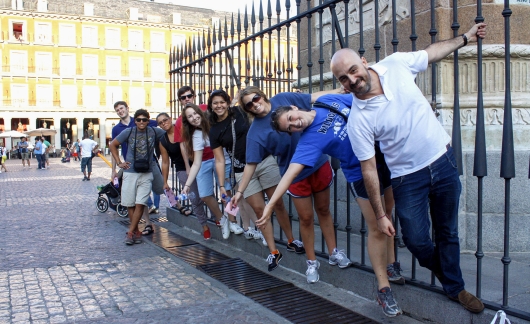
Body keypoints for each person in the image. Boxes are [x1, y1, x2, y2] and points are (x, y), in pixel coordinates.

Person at [330, 23, 487, 314]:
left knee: (447, 232)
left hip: (443, 161)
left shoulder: (396, 65)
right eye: (344, 78)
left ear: (363, 62)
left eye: (353, 70)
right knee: (415, 239)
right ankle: (448, 272)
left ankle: (455, 288)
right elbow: (368, 170)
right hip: (406, 178)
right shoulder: (358, 120)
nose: (352, 79)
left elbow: (430, 53)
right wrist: (379, 214)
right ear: (341, 83)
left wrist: (465, 37)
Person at [269, 95, 404, 317]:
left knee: (388, 214)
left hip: (382, 158)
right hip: (360, 173)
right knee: (377, 226)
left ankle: (391, 264)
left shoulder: (326, 101)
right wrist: (270, 205)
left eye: (291, 118)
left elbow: (361, 101)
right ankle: (383, 288)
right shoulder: (309, 139)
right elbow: (291, 172)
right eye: (290, 127)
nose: (295, 124)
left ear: (294, 108)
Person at [235, 86, 351, 281]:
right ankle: (312, 262)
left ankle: (334, 252)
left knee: (324, 210)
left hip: (319, 164)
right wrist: (240, 191)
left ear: (262, 95)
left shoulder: (282, 98)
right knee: (305, 218)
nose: (255, 104)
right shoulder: (255, 133)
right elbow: (251, 164)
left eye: (255, 98)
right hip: (295, 176)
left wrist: (340, 90)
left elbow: (312, 98)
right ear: (247, 110)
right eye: (249, 104)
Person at [208, 90, 285, 251]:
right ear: (211, 106)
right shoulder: (214, 130)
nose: (219, 105)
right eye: (215, 103)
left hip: (263, 160)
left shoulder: (240, 111)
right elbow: (220, 160)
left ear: (228, 102)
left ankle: (289, 238)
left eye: (222, 102)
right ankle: (268, 238)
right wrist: (221, 185)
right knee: (258, 208)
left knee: (277, 202)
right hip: (241, 168)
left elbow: (262, 106)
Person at [180, 103, 244, 240]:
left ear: (200, 112)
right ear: (187, 121)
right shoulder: (196, 134)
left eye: (195, 113)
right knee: (204, 195)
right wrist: (186, 186)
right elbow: (196, 162)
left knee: (226, 192)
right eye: (189, 117)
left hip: (222, 160)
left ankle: (233, 221)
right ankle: (223, 220)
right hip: (204, 162)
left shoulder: (213, 122)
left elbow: (228, 108)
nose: (194, 118)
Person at [110, 109, 166, 245]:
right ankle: (136, 231)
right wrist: (119, 163)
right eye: (139, 120)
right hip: (130, 172)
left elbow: (170, 133)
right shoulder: (128, 132)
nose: (142, 122)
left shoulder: (154, 131)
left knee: (141, 203)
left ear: (148, 120)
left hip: (147, 172)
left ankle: (130, 233)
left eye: (144, 119)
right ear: (135, 121)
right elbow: (113, 145)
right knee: (130, 204)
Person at [157, 112, 212, 239]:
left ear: (170, 119)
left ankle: (217, 219)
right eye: (160, 123)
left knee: (207, 194)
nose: (164, 123)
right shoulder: (163, 141)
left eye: (165, 120)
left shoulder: (183, 130)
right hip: (182, 169)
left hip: (199, 164)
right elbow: (165, 162)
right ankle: (204, 226)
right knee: (194, 198)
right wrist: (165, 181)